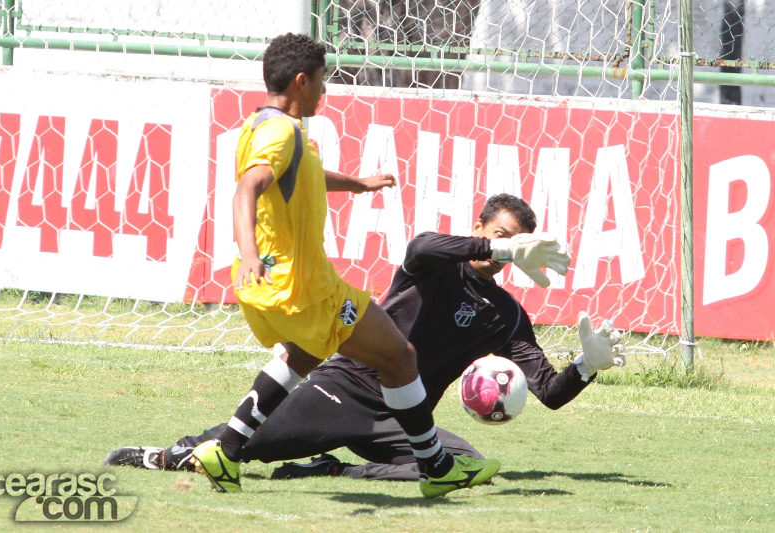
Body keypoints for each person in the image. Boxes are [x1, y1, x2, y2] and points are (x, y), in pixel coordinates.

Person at [182, 33, 569, 499]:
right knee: (400, 356)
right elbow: (248, 187)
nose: (326, 91)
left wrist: (357, 184)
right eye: (323, 82)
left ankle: (225, 449)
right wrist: (247, 253)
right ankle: (434, 467)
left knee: (306, 354)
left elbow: (302, 174)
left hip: (286, 283)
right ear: (301, 82)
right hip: (299, 284)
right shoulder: (281, 131)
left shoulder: (266, 126)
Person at [106, 194, 624, 483]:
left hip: (403, 420)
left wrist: (586, 366)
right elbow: (421, 244)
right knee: (253, 447)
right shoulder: (434, 264)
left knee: (464, 465)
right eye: (499, 235)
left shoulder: (507, 316)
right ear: (480, 227)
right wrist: (506, 252)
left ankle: (333, 471)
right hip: (345, 387)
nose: (503, 248)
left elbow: (549, 393)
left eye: (517, 242)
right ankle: (167, 454)